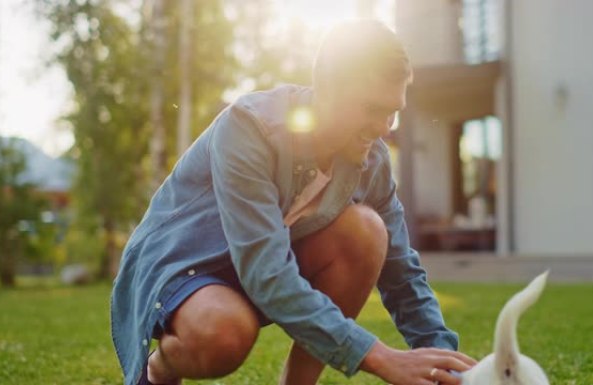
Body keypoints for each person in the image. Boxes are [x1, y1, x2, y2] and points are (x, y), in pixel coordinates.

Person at [111, 19, 476, 385]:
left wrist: (445, 364)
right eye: (372, 108)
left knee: (367, 231)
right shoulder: (249, 128)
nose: (385, 128)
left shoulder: (372, 159)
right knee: (221, 334)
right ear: (327, 91)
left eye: (393, 111)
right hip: (186, 265)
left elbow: (402, 274)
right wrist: (378, 357)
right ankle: (159, 370)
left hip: (263, 267)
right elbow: (265, 273)